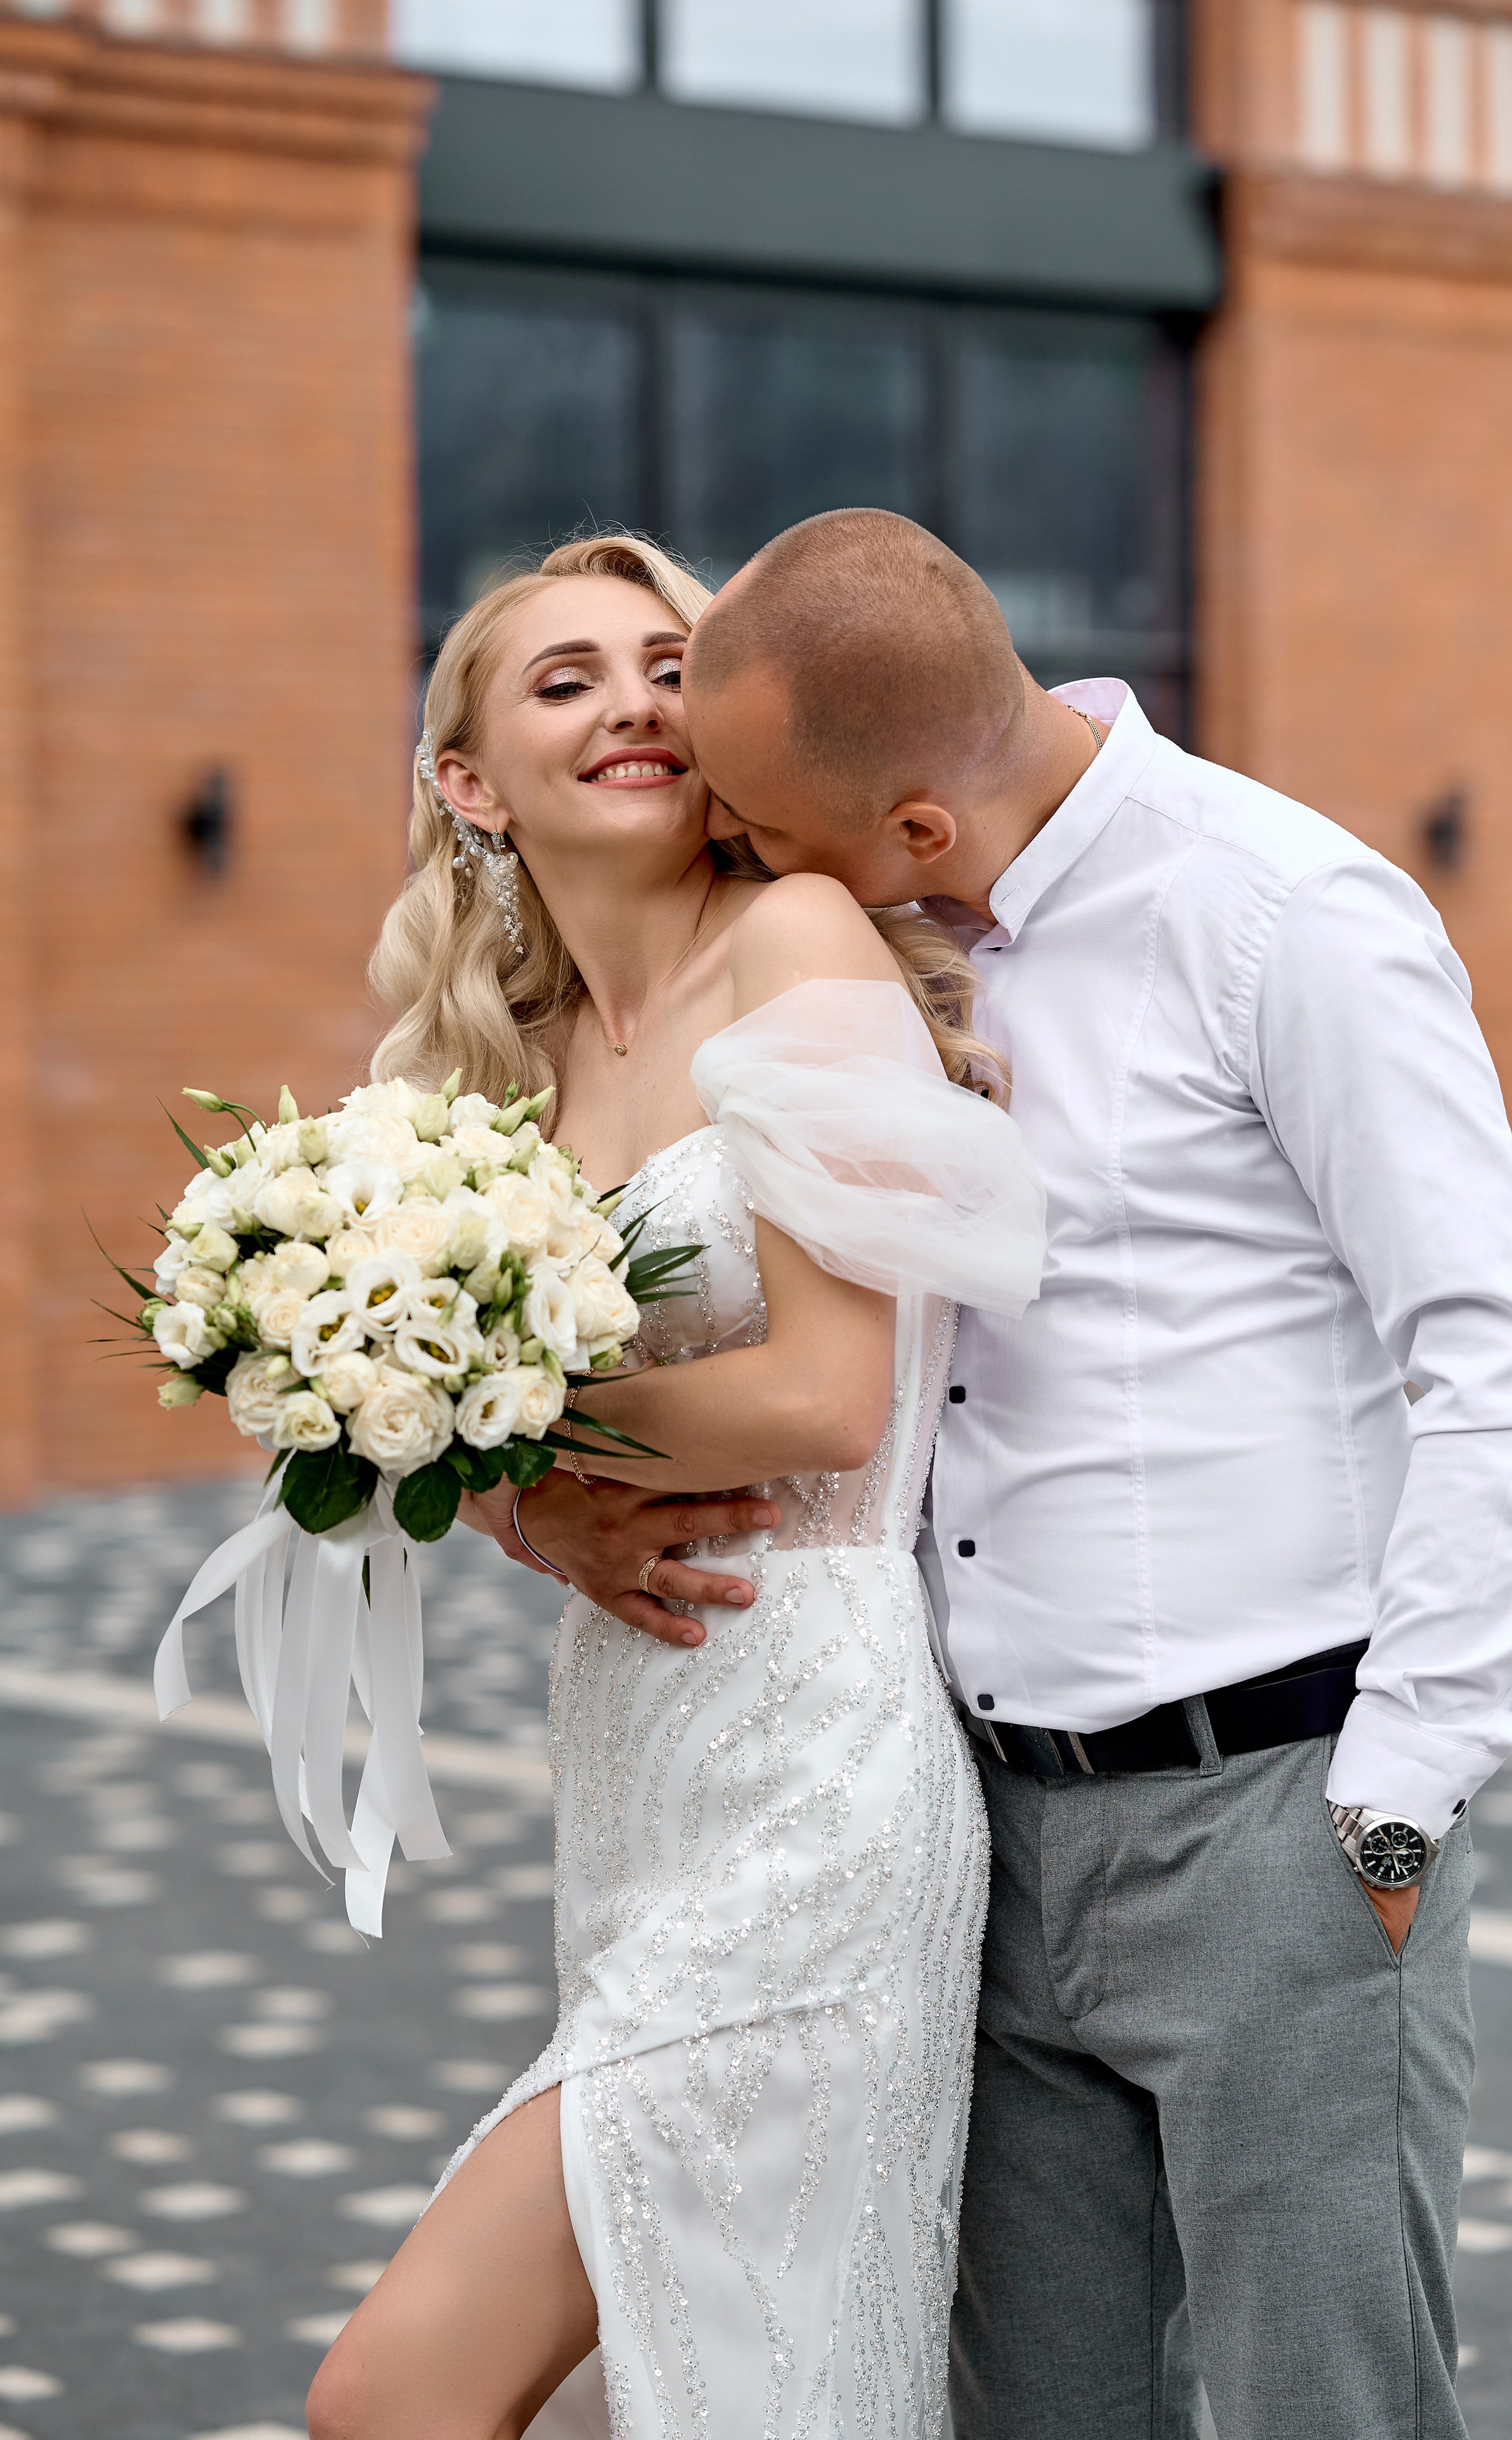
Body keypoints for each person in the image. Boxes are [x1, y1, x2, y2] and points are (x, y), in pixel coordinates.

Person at [512, 508, 1512, 2440]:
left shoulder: (1282, 911)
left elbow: (1504, 1358)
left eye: (775, 831)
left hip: (1280, 1826)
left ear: (917, 828)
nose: (750, 861)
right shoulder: (895, 957)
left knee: (1322, 2415)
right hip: (976, 1838)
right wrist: (548, 1498)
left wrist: (1401, 1806)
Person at [304, 533, 1047, 2440]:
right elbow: (444, 1426)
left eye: (664, 663)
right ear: (469, 781)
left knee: (391, 2398)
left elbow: (821, 1397)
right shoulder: (490, 1075)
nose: (633, 703)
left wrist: (506, 1448)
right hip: (635, 1758)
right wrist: (501, 1495)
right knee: (729, 2380)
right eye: (564, 681)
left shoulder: (794, 943)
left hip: (820, 1761)